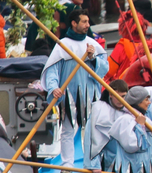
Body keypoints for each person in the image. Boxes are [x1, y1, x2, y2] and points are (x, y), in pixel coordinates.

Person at [42, 9, 109, 165]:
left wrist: (93, 58)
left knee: (93, 129)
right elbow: (52, 71)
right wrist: (53, 88)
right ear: (74, 23)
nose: (88, 25)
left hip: (90, 93)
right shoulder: (63, 45)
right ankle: (67, 164)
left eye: (88, 22)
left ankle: (93, 163)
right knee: (67, 129)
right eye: (84, 22)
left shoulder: (93, 45)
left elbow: (104, 68)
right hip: (69, 93)